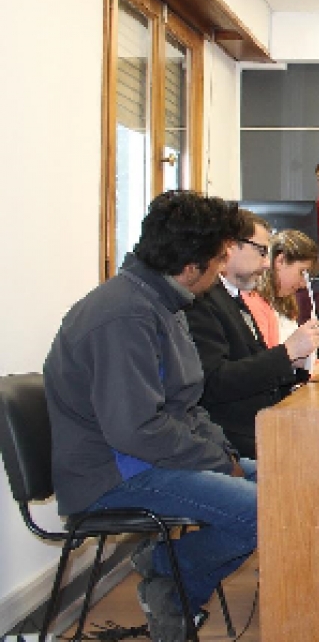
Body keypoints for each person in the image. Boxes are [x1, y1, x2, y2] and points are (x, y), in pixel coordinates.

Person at [43, 191, 254, 642]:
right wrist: (219, 462)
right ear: (191, 266)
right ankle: (168, 578)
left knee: (286, 487)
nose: (222, 269)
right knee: (262, 511)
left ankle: (166, 576)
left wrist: (224, 454)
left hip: (145, 457)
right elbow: (136, 429)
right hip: (112, 474)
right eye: (219, 259)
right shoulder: (123, 315)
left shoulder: (162, 302)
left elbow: (186, 404)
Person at [186, 210, 319, 458]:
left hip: (258, 428)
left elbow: (256, 368)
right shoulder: (203, 300)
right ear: (230, 246)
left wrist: (296, 364)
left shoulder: (234, 298)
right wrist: (287, 353)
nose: (266, 264)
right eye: (261, 251)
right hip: (234, 438)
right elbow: (215, 382)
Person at [242, 228, 319, 358]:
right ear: (280, 261)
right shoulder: (254, 302)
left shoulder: (286, 303)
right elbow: (265, 359)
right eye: (302, 272)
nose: (303, 283)